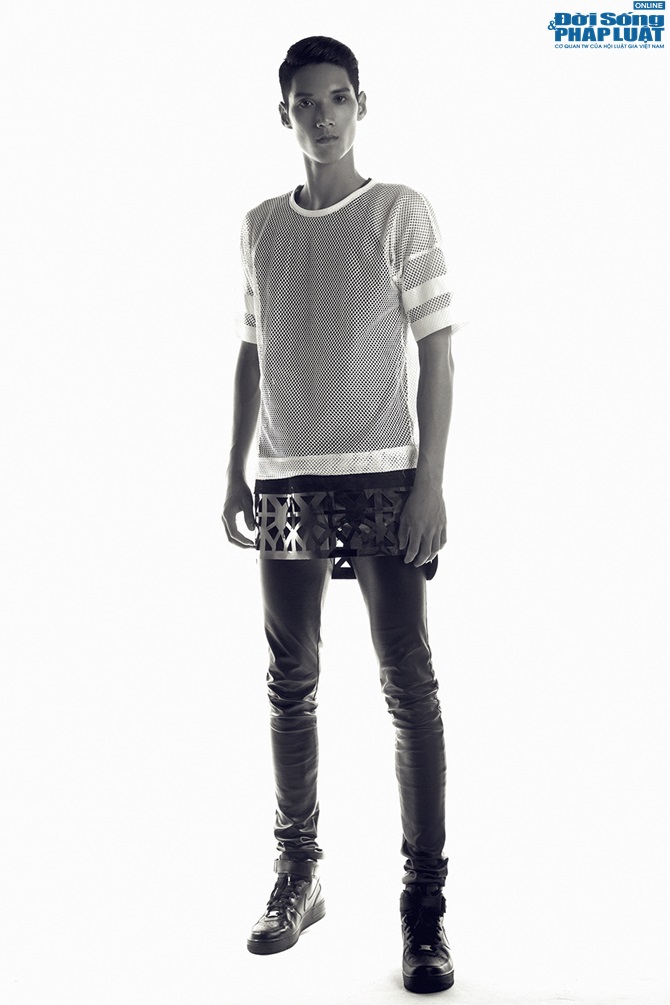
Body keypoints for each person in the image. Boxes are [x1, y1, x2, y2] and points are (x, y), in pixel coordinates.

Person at [222, 35, 464, 995]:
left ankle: (424, 907)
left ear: (361, 103)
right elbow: (252, 350)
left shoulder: (400, 211)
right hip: (286, 480)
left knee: (409, 683)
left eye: (337, 98)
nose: (322, 116)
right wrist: (235, 466)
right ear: (283, 113)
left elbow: (438, 350)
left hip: (384, 478)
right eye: (304, 102)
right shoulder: (259, 227)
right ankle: (299, 872)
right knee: (290, 682)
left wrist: (430, 483)